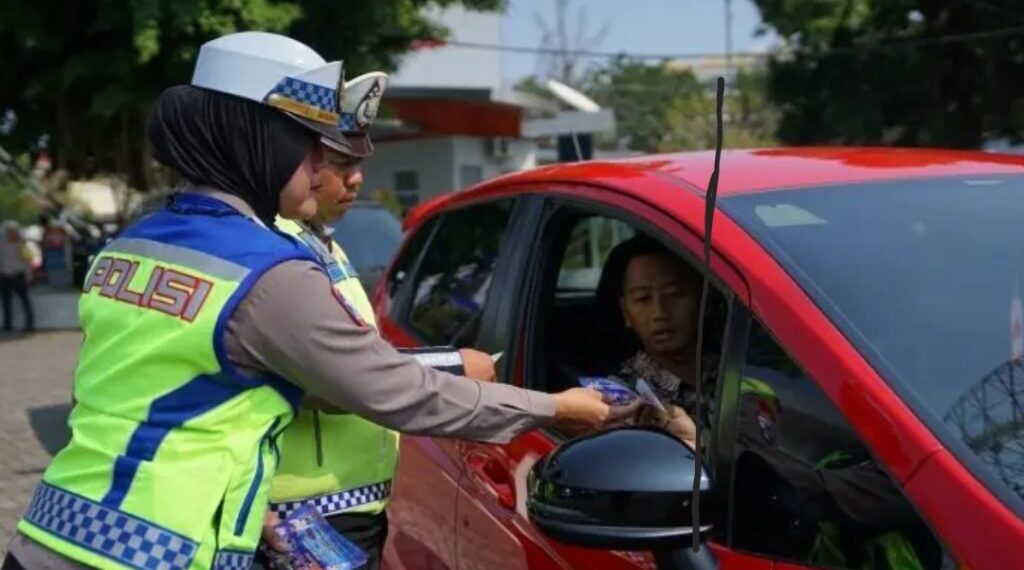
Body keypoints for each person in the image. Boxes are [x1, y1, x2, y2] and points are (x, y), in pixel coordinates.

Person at [2, 31, 622, 570]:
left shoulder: (130, 247)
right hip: (155, 552)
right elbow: (397, 393)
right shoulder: (267, 271)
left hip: (52, 532)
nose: (323, 169)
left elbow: (140, 406)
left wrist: (247, 508)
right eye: (311, 146)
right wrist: (554, 407)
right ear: (259, 140)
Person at [268, 102, 497, 567]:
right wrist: (455, 366)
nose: (356, 180)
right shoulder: (277, 250)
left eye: (358, 165)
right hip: (303, 512)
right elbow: (334, 376)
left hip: (350, 503)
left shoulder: (322, 242)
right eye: (340, 164)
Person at [595, 235, 720, 448]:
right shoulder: (618, 400)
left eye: (674, 294)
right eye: (642, 299)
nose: (659, 312)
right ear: (625, 311)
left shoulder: (741, 371)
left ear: (706, 300)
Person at [0, 220, 35, 333]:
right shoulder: (2, 245)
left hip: (18, 275)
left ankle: (29, 325)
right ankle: (7, 324)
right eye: (8, 231)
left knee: (24, 301)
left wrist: (29, 275)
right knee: (6, 301)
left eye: (12, 231)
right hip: (5, 276)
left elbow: (28, 261)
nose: (10, 234)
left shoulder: (22, 245)